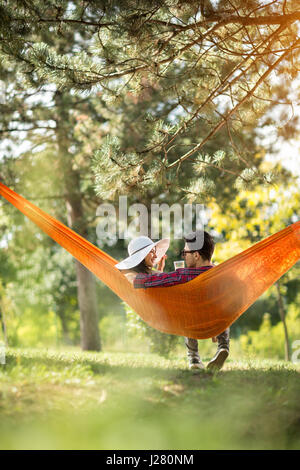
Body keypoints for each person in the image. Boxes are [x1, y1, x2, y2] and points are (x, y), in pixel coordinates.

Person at [116, 231, 230, 371]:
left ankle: (193, 357)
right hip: (216, 321)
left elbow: (145, 281)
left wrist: (128, 274)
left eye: (185, 253)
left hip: (193, 322)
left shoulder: (182, 275)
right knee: (224, 304)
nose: (183, 256)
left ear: (196, 255)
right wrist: (216, 329)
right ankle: (223, 346)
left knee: (186, 308)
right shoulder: (221, 274)